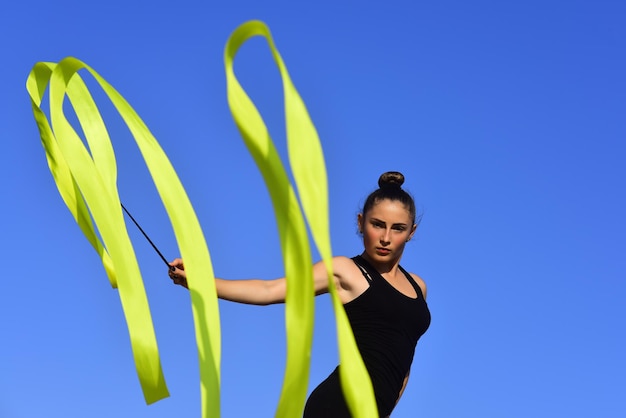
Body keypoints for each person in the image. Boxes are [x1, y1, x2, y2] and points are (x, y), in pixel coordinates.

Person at [168, 171, 431, 417]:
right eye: (377, 224)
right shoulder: (345, 270)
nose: (385, 237)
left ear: (411, 232)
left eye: (397, 228)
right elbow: (269, 289)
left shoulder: (418, 286)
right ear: (361, 223)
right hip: (338, 404)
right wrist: (200, 281)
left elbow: (403, 362)